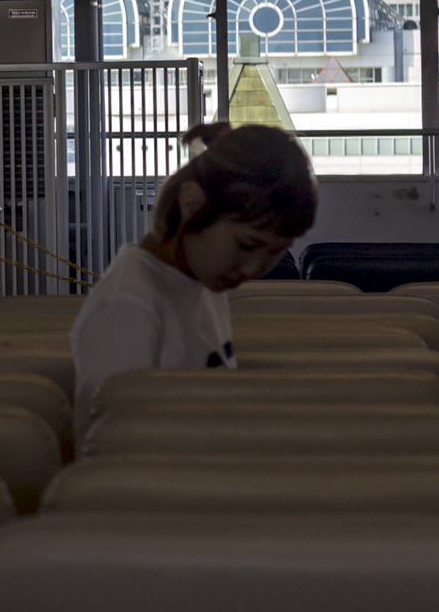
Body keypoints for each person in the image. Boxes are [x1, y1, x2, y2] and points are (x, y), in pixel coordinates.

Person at [68, 121, 316, 434]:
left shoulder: (204, 281)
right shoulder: (128, 303)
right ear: (192, 204)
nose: (254, 269)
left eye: (276, 251)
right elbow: (107, 442)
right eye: (246, 245)